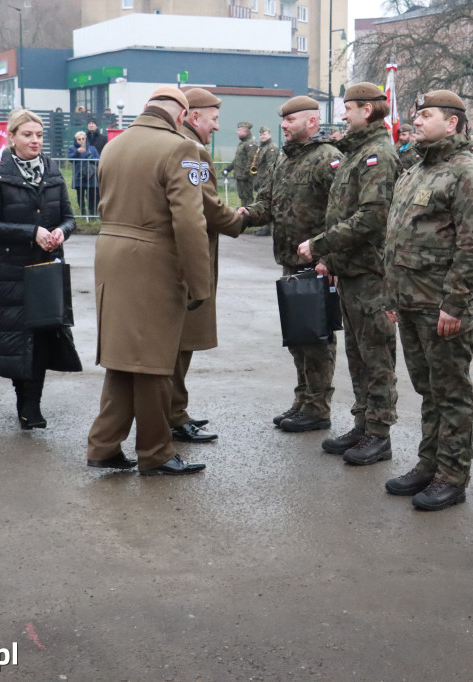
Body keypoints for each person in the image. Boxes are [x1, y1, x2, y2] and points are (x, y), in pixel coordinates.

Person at [85, 86, 212, 475]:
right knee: (155, 362)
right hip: (153, 260)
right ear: (181, 115)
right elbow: (190, 222)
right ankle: (155, 452)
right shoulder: (179, 149)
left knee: (124, 360)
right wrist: (200, 283)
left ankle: (104, 445)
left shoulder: (114, 145)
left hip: (111, 256)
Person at [383, 90, 473, 511]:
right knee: (429, 390)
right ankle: (428, 463)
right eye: (416, 114)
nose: (417, 121)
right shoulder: (415, 170)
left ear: (453, 123)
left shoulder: (467, 173)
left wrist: (456, 303)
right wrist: (393, 295)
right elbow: (398, 238)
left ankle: (452, 474)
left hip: (441, 305)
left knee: (452, 393)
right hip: (410, 301)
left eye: (427, 115)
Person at [296, 82, 400, 466]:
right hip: (352, 270)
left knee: (377, 356)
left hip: (372, 273)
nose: (343, 115)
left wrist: (321, 244)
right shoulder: (358, 153)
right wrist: (333, 260)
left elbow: (372, 218)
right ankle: (363, 423)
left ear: (368, 110)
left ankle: (380, 432)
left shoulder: (378, 155)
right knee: (358, 354)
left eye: (350, 108)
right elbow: (343, 211)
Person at [241, 97, 342, 433]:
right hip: (290, 262)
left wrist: (329, 259)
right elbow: (267, 204)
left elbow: (341, 213)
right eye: (283, 121)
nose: (284, 126)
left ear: (311, 122)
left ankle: (317, 407)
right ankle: (303, 400)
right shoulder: (285, 160)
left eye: (290, 120)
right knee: (299, 339)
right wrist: (242, 216)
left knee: (317, 340)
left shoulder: (328, 159)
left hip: (316, 266)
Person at [0, 109, 82, 429]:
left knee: (41, 337)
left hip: (46, 268)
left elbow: (69, 217)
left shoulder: (52, 172)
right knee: (15, 340)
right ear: (11, 137)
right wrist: (30, 232)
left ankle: (32, 405)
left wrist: (61, 232)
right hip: (10, 271)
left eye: (39, 135)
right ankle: (22, 401)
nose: (35, 141)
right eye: (27, 135)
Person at [170, 87, 246, 443]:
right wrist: (238, 220)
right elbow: (207, 206)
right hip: (188, 260)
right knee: (180, 343)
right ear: (193, 116)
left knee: (178, 343)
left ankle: (176, 410)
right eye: (213, 119)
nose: (217, 127)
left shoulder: (176, 142)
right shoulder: (192, 150)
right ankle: (173, 415)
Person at [223, 121, 258, 207]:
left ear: (245, 131)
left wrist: (246, 174)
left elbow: (251, 160)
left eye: (239, 130)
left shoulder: (251, 143)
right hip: (240, 175)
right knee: (242, 196)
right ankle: (244, 212)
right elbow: (237, 160)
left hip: (245, 176)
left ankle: (249, 214)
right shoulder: (242, 143)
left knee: (247, 197)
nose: (237, 132)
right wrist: (228, 169)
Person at [67, 130, 99, 216]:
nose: (81, 141)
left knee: (91, 194)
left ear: (86, 139)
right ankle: (83, 212)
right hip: (79, 175)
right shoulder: (72, 148)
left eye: (83, 138)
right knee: (80, 195)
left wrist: (90, 157)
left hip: (91, 175)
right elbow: (70, 158)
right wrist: (77, 152)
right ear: (76, 140)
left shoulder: (92, 148)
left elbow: (98, 158)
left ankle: (92, 212)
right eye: (79, 139)